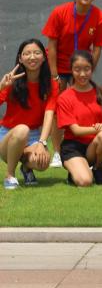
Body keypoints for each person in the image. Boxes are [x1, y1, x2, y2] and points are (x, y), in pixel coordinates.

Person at [55, 50, 102, 187]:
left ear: (92, 69)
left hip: (94, 146)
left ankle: (97, 167)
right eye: (77, 69)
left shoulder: (101, 92)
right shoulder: (64, 97)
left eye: (87, 69)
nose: (82, 74)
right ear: (71, 70)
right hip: (73, 147)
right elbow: (76, 131)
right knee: (84, 181)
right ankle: (75, 171)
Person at [0, 40, 58, 189]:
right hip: (8, 135)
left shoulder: (51, 84)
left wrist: (42, 143)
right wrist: (1, 87)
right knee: (22, 129)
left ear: (44, 57)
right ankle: (10, 176)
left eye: (37, 53)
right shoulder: (12, 81)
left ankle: (26, 168)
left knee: (43, 161)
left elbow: (49, 114)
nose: (32, 57)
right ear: (20, 58)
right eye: (27, 54)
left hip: (33, 136)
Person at [42, 0, 102, 90]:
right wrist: (54, 75)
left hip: (80, 67)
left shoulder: (101, 17)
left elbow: (97, 49)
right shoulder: (59, 12)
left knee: (79, 98)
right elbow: (52, 45)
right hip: (58, 65)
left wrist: (88, 71)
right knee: (57, 97)